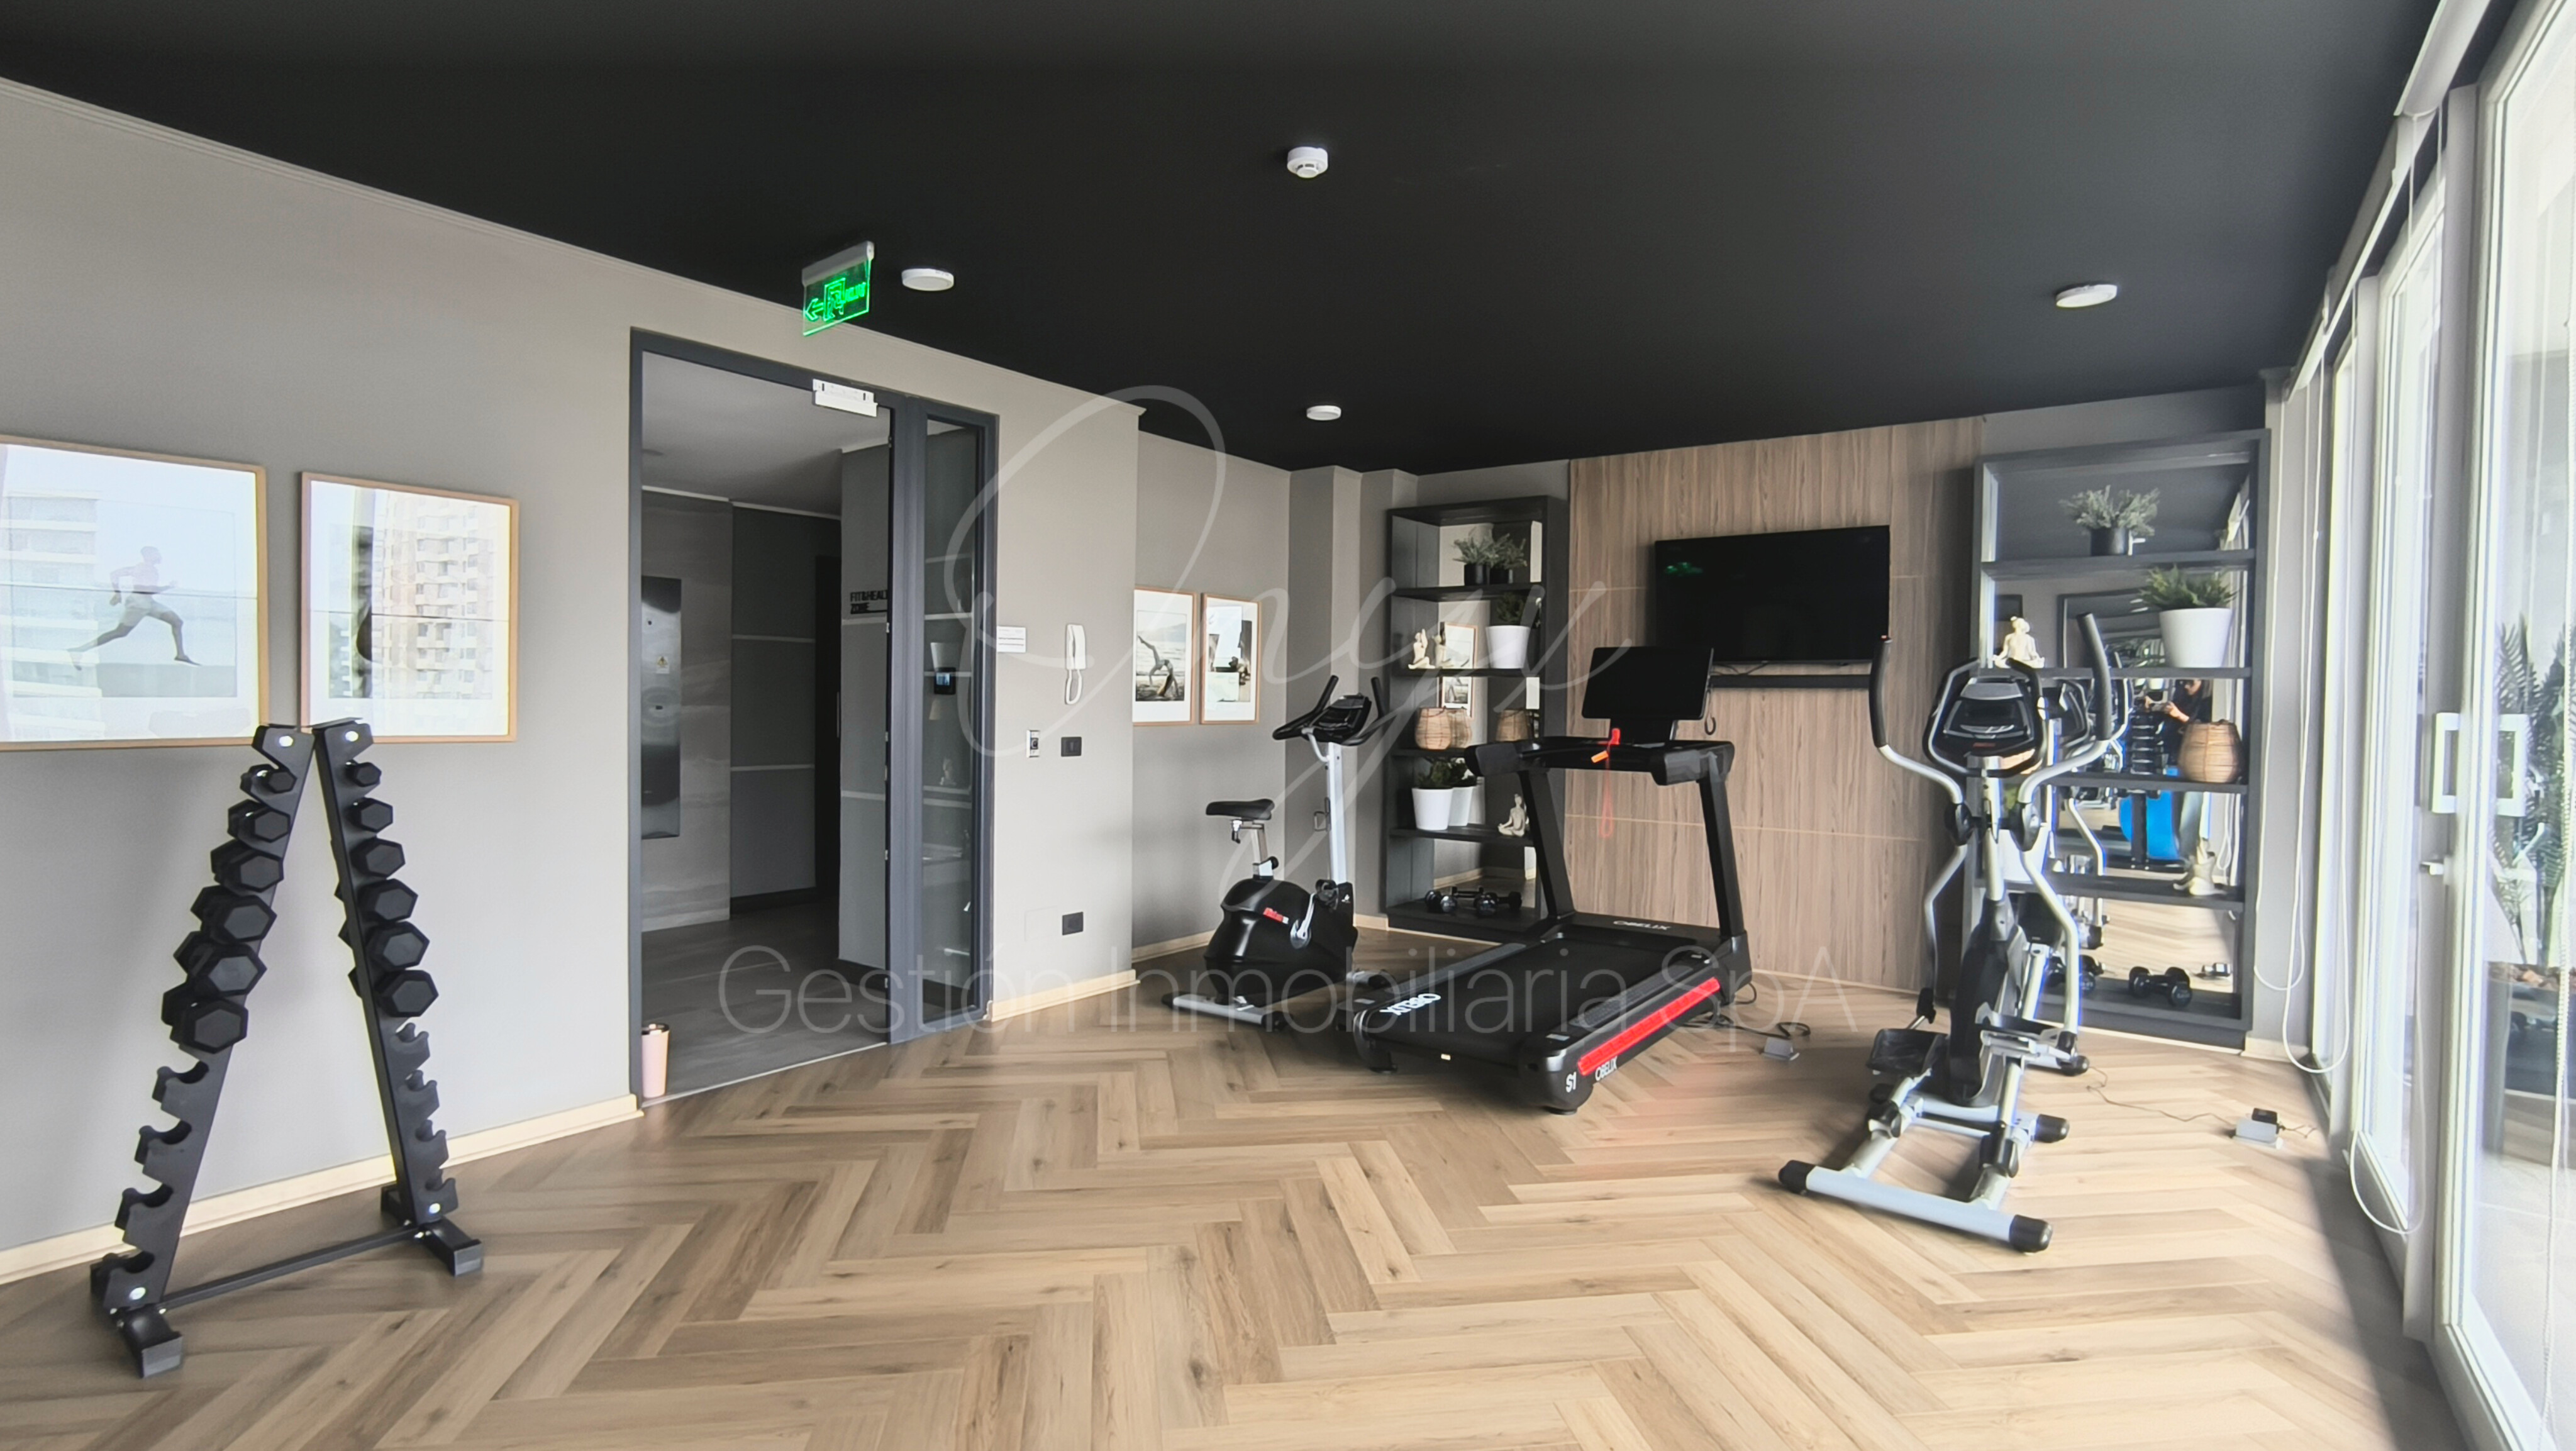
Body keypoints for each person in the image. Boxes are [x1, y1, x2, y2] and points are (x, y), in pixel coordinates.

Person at [75, 546, 196, 663]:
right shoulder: (144, 568)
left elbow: (116, 574)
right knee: (120, 632)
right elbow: (148, 589)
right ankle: (80, 650)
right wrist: (168, 587)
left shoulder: (147, 569)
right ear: (149, 555)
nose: (159, 556)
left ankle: (181, 655)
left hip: (148, 602)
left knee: (177, 622)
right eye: (157, 553)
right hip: (139, 603)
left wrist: (118, 593)